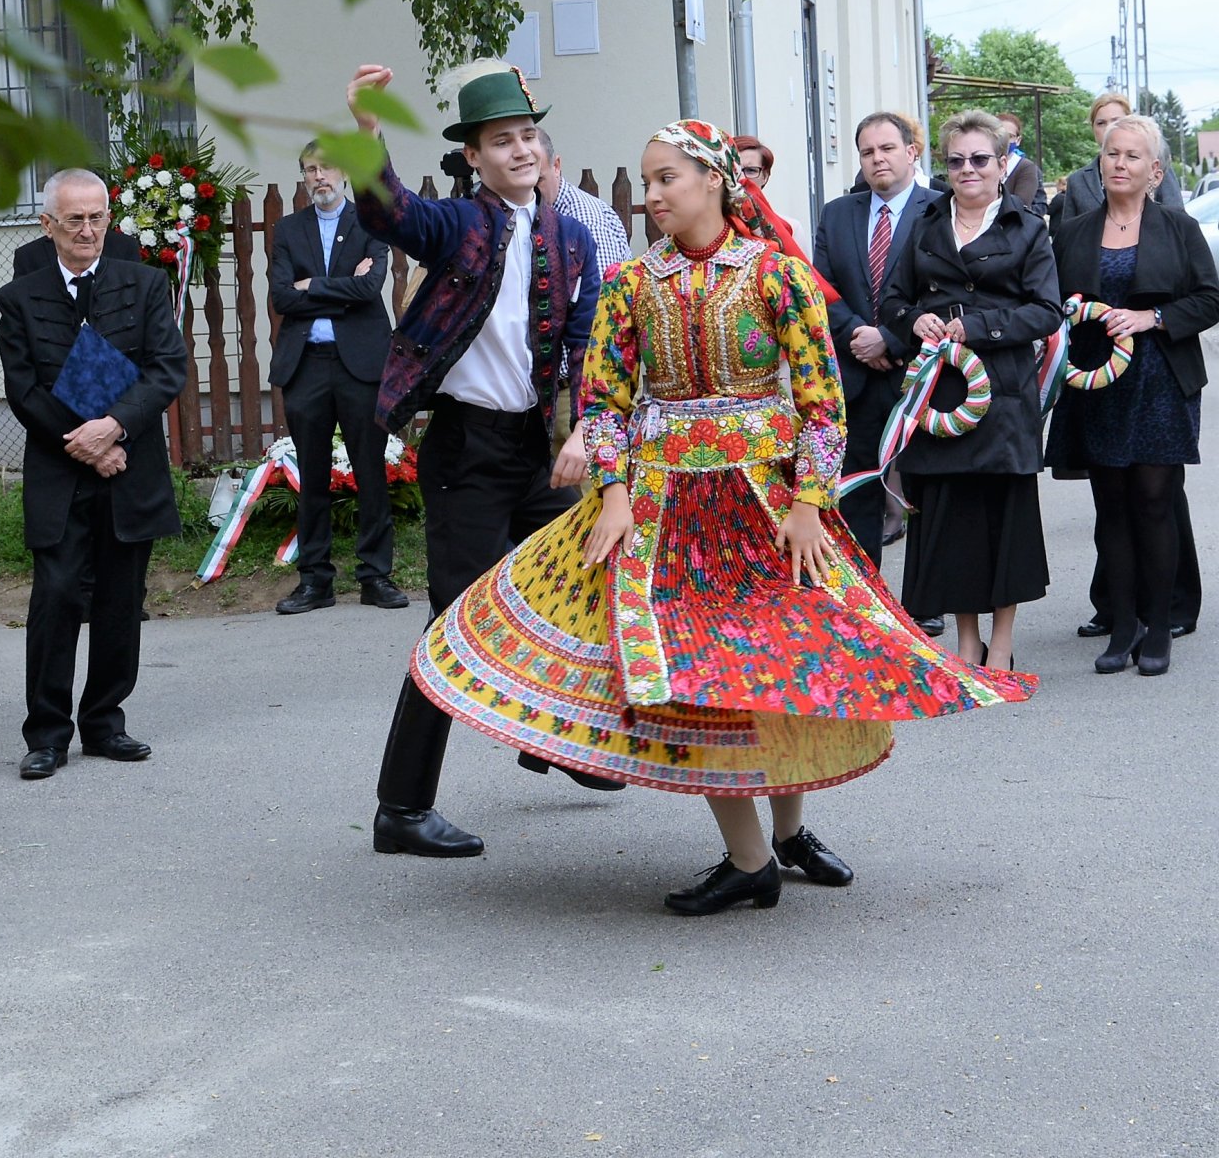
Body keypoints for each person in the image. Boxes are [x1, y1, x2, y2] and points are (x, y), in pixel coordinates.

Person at [408, 119, 1036, 915]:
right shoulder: (634, 285)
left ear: (712, 181)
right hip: (669, 515)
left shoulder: (778, 277)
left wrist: (811, 502)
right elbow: (601, 400)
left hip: (768, 507)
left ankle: (784, 835)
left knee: (777, 664)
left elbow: (822, 403)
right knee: (699, 679)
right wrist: (610, 493)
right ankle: (751, 860)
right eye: (648, 180)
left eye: (666, 177)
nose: (652, 195)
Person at [346, 59, 608, 861]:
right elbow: (389, 213)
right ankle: (401, 807)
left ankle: (548, 740)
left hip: (537, 447)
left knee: (571, 592)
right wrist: (365, 130)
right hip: (465, 447)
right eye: (503, 140)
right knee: (454, 625)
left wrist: (581, 430)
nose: (520, 149)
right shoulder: (458, 224)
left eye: (529, 135)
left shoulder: (570, 236)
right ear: (474, 157)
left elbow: (586, 344)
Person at [0, 168, 185, 780]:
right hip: (62, 469)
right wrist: (87, 444)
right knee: (54, 598)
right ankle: (47, 733)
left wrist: (114, 428)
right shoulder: (19, 297)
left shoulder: (146, 283)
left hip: (130, 468)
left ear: (110, 218)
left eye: (96, 217)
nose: (86, 230)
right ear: (47, 225)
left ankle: (105, 722)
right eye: (73, 219)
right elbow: (24, 388)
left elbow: (166, 369)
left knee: (120, 600)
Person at [880, 111, 1061, 670]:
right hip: (942, 393)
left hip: (1003, 395)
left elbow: (1046, 311)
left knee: (1004, 522)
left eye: (980, 159)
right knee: (952, 523)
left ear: (1003, 164)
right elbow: (891, 300)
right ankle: (966, 642)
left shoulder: (1027, 227)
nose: (968, 169)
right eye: (956, 160)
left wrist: (978, 326)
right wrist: (915, 323)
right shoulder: (925, 223)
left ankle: (1001, 644)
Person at [1046, 115, 1219, 676]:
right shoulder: (1072, 232)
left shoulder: (1178, 227)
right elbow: (1051, 305)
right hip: (1099, 384)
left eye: (1132, 156)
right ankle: (1122, 627)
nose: (1119, 164)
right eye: (1112, 154)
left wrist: (1153, 317)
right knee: (1111, 507)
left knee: (1153, 502)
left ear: (1154, 171)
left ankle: (1160, 626)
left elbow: (1210, 299)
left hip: (1161, 382)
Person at [267, 142, 405, 615]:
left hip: (361, 365)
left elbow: (370, 288)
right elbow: (283, 297)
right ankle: (315, 581)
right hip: (307, 364)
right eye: (310, 169)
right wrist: (338, 289)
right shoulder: (288, 229)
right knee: (313, 474)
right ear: (303, 177)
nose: (318, 177)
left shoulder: (370, 223)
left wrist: (314, 286)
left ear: (344, 174)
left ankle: (375, 577)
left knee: (370, 470)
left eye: (326, 168)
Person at [812, 113, 936, 575]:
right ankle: (869, 602)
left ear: (911, 151)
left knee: (924, 494)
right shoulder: (837, 212)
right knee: (858, 495)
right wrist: (858, 337)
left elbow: (941, 292)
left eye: (887, 148)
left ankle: (926, 605)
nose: (877, 158)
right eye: (867, 152)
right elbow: (821, 287)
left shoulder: (940, 208)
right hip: (856, 376)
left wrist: (889, 338)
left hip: (921, 374)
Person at [1048, 92, 1186, 225]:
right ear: (1092, 128)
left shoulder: (1153, 169)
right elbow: (1067, 238)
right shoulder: (1077, 181)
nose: (1109, 128)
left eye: (1116, 121)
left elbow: (1177, 218)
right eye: (1101, 123)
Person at [533, 127, 633, 269]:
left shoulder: (587, 223)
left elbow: (601, 290)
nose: (528, 192)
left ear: (556, 166)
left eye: (537, 181)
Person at [997, 111, 1048, 218]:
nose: (1004, 140)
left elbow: (1020, 206)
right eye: (999, 135)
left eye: (1009, 136)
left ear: (1018, 140)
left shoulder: (1025, 168)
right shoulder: (979, 164)